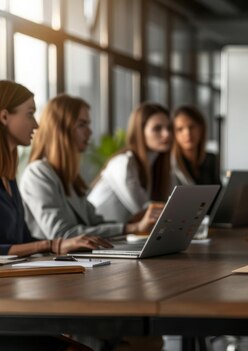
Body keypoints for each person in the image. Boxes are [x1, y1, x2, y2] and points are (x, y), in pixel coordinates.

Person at [0, 80, 110, 350]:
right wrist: (52, 244)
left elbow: (23, 238)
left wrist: (63, 246)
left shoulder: (9, 178)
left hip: (16, 296)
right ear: (4, 116)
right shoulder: (35, 173)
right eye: (29, 114)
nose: (36, 125)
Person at [20, 94, 161, 240]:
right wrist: (131, 228)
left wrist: (132, 223)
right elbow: (61, 235)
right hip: (51, 261)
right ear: (60, 130)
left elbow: (95, 223)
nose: (90, 132)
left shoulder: (69, 179)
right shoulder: (37, 173)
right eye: (82, 125)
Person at [88, 102, 172, 223]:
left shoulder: (156, 164)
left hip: (120, 235)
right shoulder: (123, 163)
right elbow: (144, 210)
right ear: (140, 132)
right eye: (157, 128)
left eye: (169, 128)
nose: (167, 134)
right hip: (95, 234)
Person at [171, 105, 220, 185]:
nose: (187, 133)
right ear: (173, 134)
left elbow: (219, 192)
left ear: (201, 129)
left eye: (192, 127)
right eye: (180, 129)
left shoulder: (211, 159)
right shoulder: (171, 164)